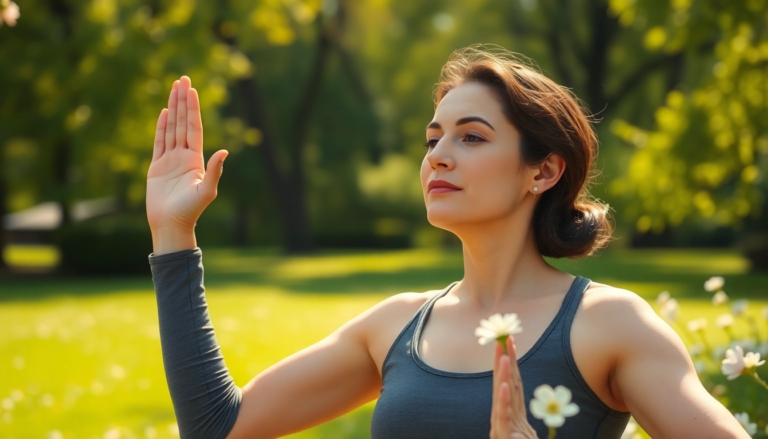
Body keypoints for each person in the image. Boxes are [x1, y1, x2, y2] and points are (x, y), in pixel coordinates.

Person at [146, 45, 749, 439]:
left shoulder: (609, 325)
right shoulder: (394, 327)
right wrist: (174, 235)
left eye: (472, 138)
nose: (438, 156)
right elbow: (215, 428)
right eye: (434, 138)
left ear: (543, 172)